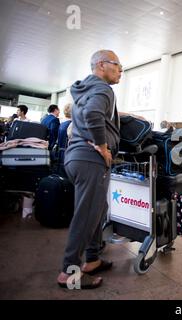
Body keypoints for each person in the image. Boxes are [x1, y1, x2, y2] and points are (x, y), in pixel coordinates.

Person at [57, 49, 125, 289]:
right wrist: (102, 146)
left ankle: (93, 258)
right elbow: (93, 113)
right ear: (101, 65)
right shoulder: (103, 89)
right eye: (117, 65)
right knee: (86, 217)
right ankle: (69, 272)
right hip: (90, 160)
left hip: (76, 159)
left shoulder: (85, 90)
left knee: (96, 210)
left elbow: (92, 113)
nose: (121, 70)